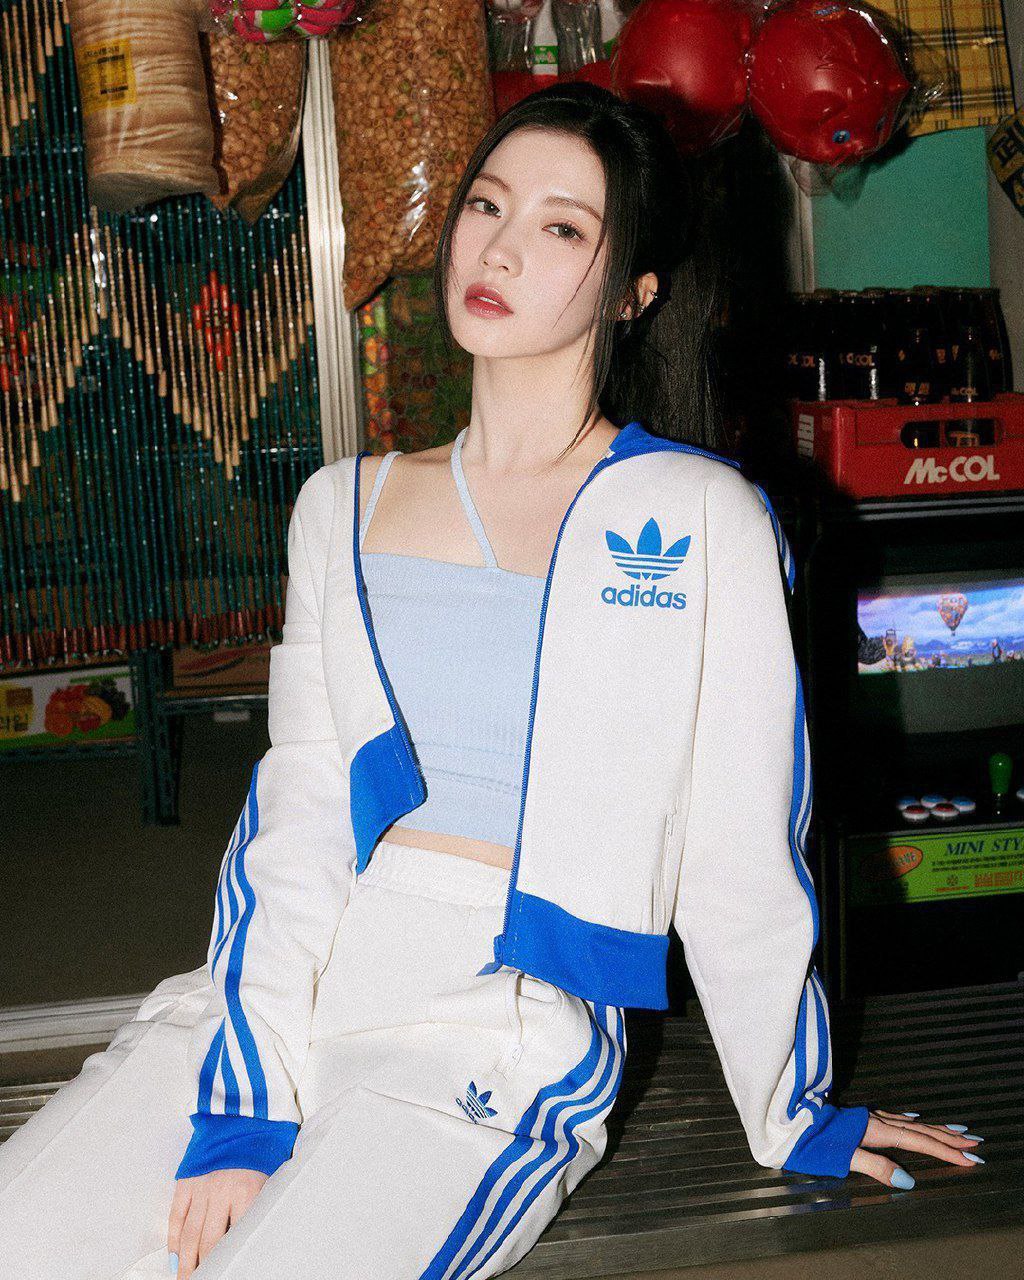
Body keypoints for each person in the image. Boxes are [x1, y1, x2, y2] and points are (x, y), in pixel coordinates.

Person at [0, 83, 984, 1280]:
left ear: (634, 291)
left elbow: (739, 838)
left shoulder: (697, 515)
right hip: (290, 976)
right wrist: (246, 1091)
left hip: (498, 1023)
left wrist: (791, 1104)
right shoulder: (338, 505)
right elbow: (300, 808)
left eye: (562, 226)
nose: (501, 247)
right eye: (486, 204)